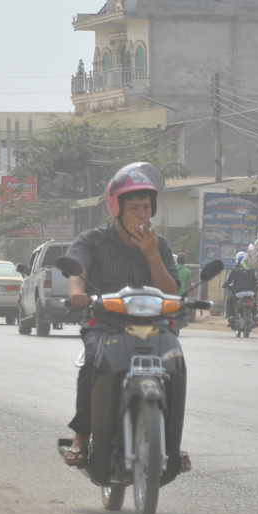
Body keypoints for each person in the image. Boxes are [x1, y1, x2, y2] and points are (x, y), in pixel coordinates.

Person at [61, 162, 185, 470]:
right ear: (117, 208)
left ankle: (172, 443)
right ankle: (82, 435)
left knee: (176, 364)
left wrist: (153, 255)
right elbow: (78, 270)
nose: (142, 214)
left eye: (146, 207)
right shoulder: (93, 240)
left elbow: (172, 290)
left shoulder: (160, 245)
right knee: (93, 361)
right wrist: (77, 292)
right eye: (134, 208)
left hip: (153, 326)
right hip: (105, 323)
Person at [222, 250, 256, 324]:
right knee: (255, 301)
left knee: (229, 301)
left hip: (239, 293)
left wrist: (225, 285)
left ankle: (231, 317)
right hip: (251, 293)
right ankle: (256, 315)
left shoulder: (235, 270)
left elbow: (229, 281)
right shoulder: (252, 271)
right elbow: (255, 281)